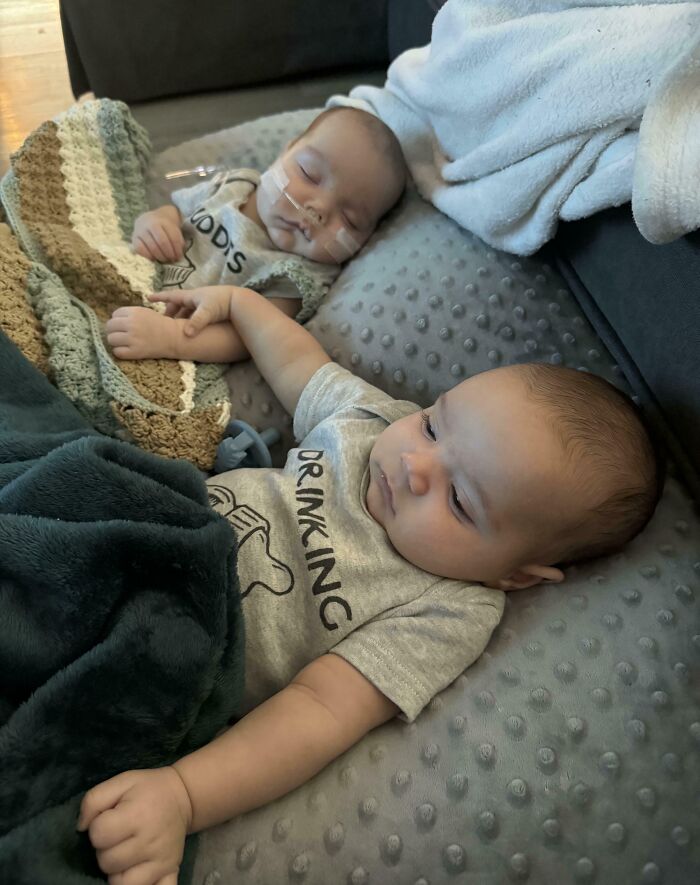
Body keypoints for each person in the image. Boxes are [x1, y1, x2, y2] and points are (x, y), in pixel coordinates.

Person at [83, 284, 664, 884]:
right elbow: (295, 361)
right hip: (148, 527)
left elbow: (319, 711)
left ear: (514, 574)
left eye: (460, 500)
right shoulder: (372, 419)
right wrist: (235, 303)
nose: (415, 466)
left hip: (176, 646)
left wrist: (182, 795)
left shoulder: (449, 608)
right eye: (435, 426)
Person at [107, 106, 406, 363]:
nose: (318, 209)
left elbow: (247, 337)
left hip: (173, 331)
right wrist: (155, 222)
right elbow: (177, 210)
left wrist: (170, 338)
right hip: (135, 274)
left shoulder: (300, 275)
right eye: (309, 174)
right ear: (284, 152)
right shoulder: (237, 183)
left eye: (350, 219)